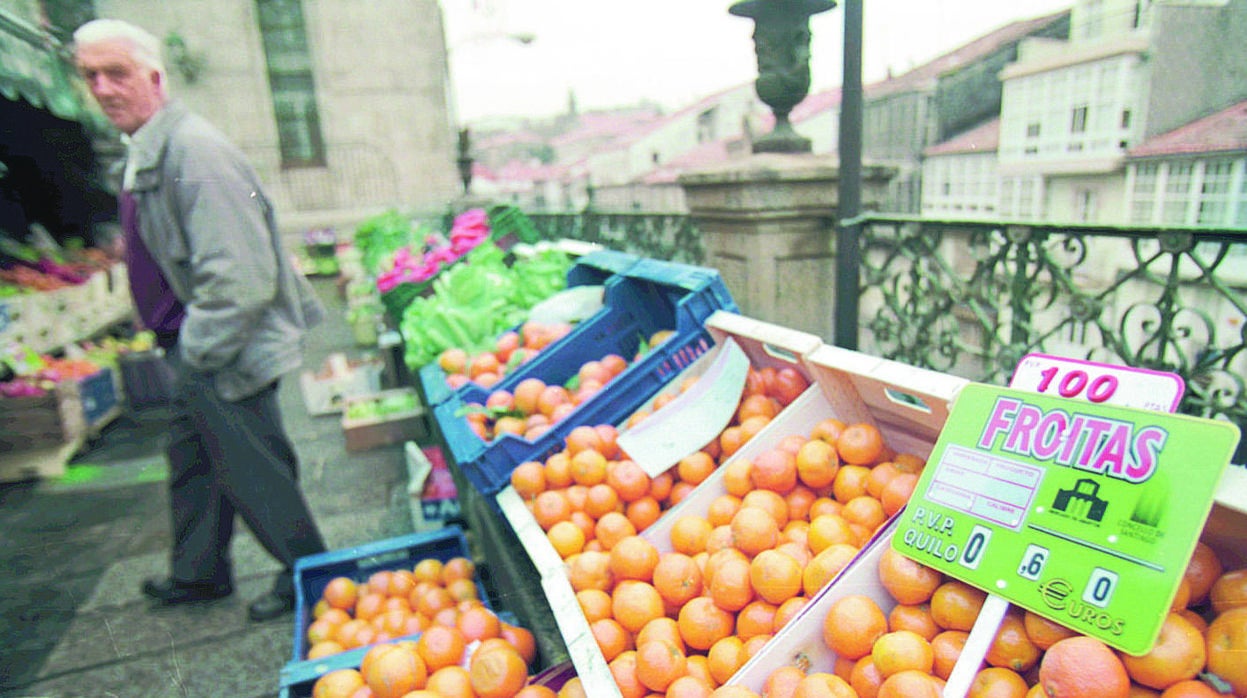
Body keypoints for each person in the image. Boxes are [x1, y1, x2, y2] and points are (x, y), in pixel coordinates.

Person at [72, 19, 328, 622]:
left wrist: (197, 351)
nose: (104, 88)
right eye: (91, 77)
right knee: (193, 461)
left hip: (220, 344)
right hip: (194, 343)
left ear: (155, 77)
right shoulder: (151, 146)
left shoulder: (196, 152)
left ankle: (311, 577)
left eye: (118, 73)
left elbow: (241, 278)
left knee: (252, 467)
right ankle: (199, 573)